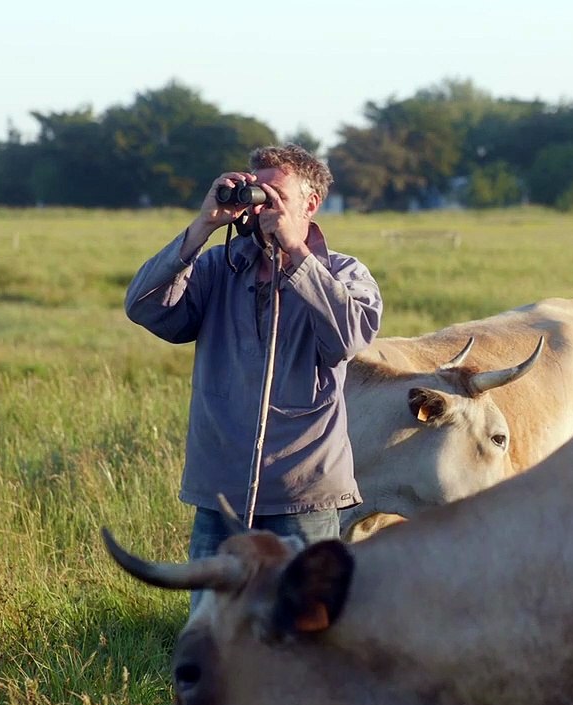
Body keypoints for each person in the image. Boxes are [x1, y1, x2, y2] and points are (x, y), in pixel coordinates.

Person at [125, 145, 381, 595]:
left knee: (303, 629)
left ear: (310, 203)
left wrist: (297, 254)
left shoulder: (343, 272)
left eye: (275, 194)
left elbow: (349, 337)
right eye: (254, 192)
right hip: (222, 491)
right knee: (216, 625)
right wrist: (204, 224)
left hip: (304, 491)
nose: (261, 205)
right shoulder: (218, 268)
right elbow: (143, 306)